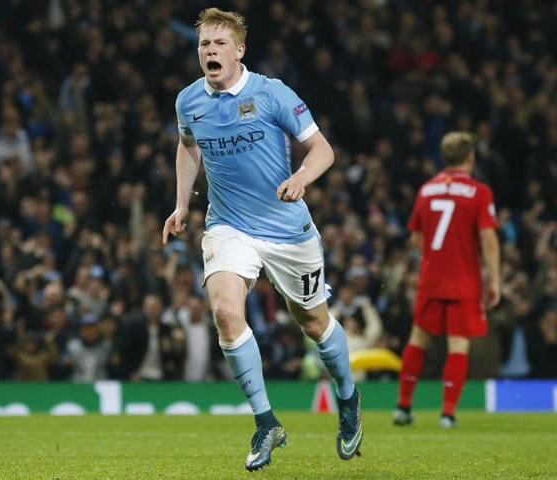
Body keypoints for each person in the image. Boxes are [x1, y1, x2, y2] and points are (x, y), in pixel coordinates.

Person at [162, 7, 362, 471]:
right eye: (203, 45)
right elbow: (187, 146)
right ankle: (266, 421)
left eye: (218, 44)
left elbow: (323, 149)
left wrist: (302, 178)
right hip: (229, 226)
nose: (209, 51)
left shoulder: (272, 94)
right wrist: (181, 204)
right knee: (226, 312)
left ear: (239, 50)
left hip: (288, 230)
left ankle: (349, 400)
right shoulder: (188, 101)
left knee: (314, 324)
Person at [393, 131, 501, 428]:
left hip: (431, 278)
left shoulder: (426, 190)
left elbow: (416, 239)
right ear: (470, 157)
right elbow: (489, 240)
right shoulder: (479, 192)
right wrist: (495, 280)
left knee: (418, 340)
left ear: (444, 157)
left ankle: (403, 407)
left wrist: (434, 258)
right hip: (464, 280)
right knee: (458, 346)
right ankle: (448, 413)